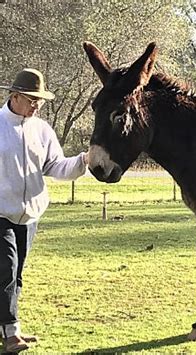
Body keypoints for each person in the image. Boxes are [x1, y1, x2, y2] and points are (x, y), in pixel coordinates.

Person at [0, 68, 89, 353]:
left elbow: (56, 167)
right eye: (31, 99)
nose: (37, 104)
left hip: (30, 216)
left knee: (18, 274)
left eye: (39, 100)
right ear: (15, 96)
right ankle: (11, 332)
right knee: (7, 270)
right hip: (1, 213)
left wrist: (83, 160)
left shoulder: (42, 129)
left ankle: (11, 326)